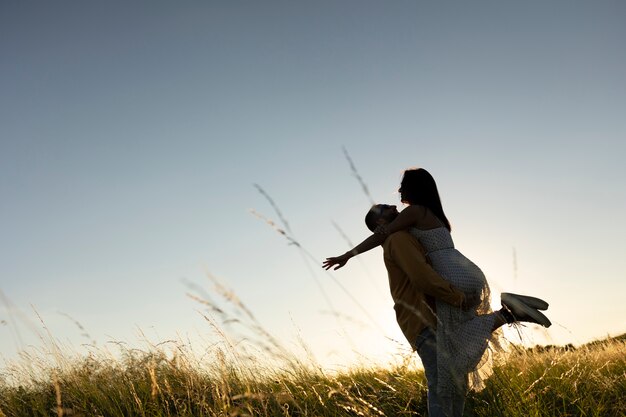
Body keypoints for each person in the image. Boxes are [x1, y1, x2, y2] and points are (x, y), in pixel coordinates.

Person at [323, 168, 551, 417]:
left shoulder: (402, 231)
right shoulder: (427, 217)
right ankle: (509, 313)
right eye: (386, 207)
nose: (395, 199)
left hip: (441, 293)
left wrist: (347, 255)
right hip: (460, 271)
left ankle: (508, 314)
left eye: (400, 189)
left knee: (442, 381)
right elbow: (387, 236)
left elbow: (417, 272)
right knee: (458, 354)